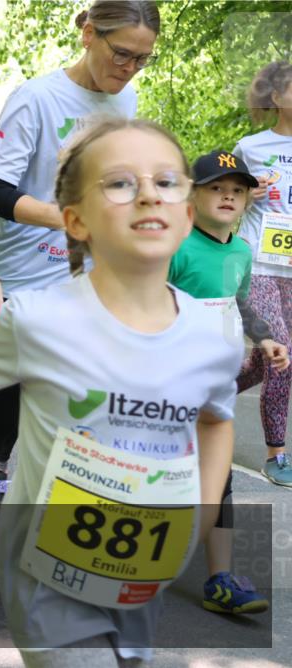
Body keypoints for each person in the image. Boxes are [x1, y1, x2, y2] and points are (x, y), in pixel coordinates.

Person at [0, 117, 241, 667]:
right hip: (48, 578)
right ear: (75, 221)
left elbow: (217, 419)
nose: (146, 194)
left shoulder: (214, 337)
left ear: (187, 215)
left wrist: (201, 516)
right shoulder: (38, 319)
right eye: (118, 182)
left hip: (142, 576)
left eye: (166, 181)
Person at [0, 0, 161, 586]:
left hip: (90, 281)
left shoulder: (127, 101)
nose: (130, 69)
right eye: (122, 54)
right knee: (5, 408)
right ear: (89, 34)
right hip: (21, 281)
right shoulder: (37, 97)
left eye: (143, 59)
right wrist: (67, 218)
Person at [167, 149, 285, 615]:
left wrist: (267, 338)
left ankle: (220, 579)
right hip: (168, 385)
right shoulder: (175, 247)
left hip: (216, 385)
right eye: (217, 188)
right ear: (192, 197)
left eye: (237, 191)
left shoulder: (239, 250)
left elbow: (240, 303)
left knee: (221, 481)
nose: (228, 197)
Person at [233, 60, 292, 487]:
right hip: (260, 262)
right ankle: (276, 455)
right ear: (274, 98)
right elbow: (226, 197)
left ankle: (199, 401)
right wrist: (245, 194)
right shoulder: (250, 147)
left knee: (264, 358)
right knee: (283, 353)